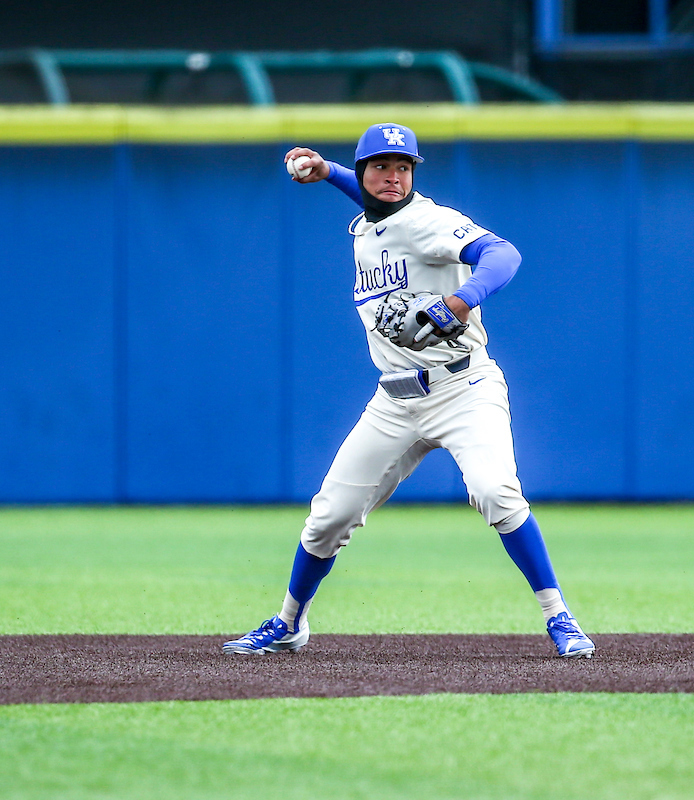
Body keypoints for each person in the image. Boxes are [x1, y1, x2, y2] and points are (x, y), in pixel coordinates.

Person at [222, 123, 595, 659]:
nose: (393, 177)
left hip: (464, 386)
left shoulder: (428, 220)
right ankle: (288, 623)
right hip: (394, 401)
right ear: (364, 172)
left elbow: (503, 254)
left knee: (495, 492)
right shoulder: (371, 221)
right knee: (328, 517)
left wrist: (460, 301)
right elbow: (377, 208)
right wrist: (327, 172)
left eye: (403, 167)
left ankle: (559, 616)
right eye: (381, 166)